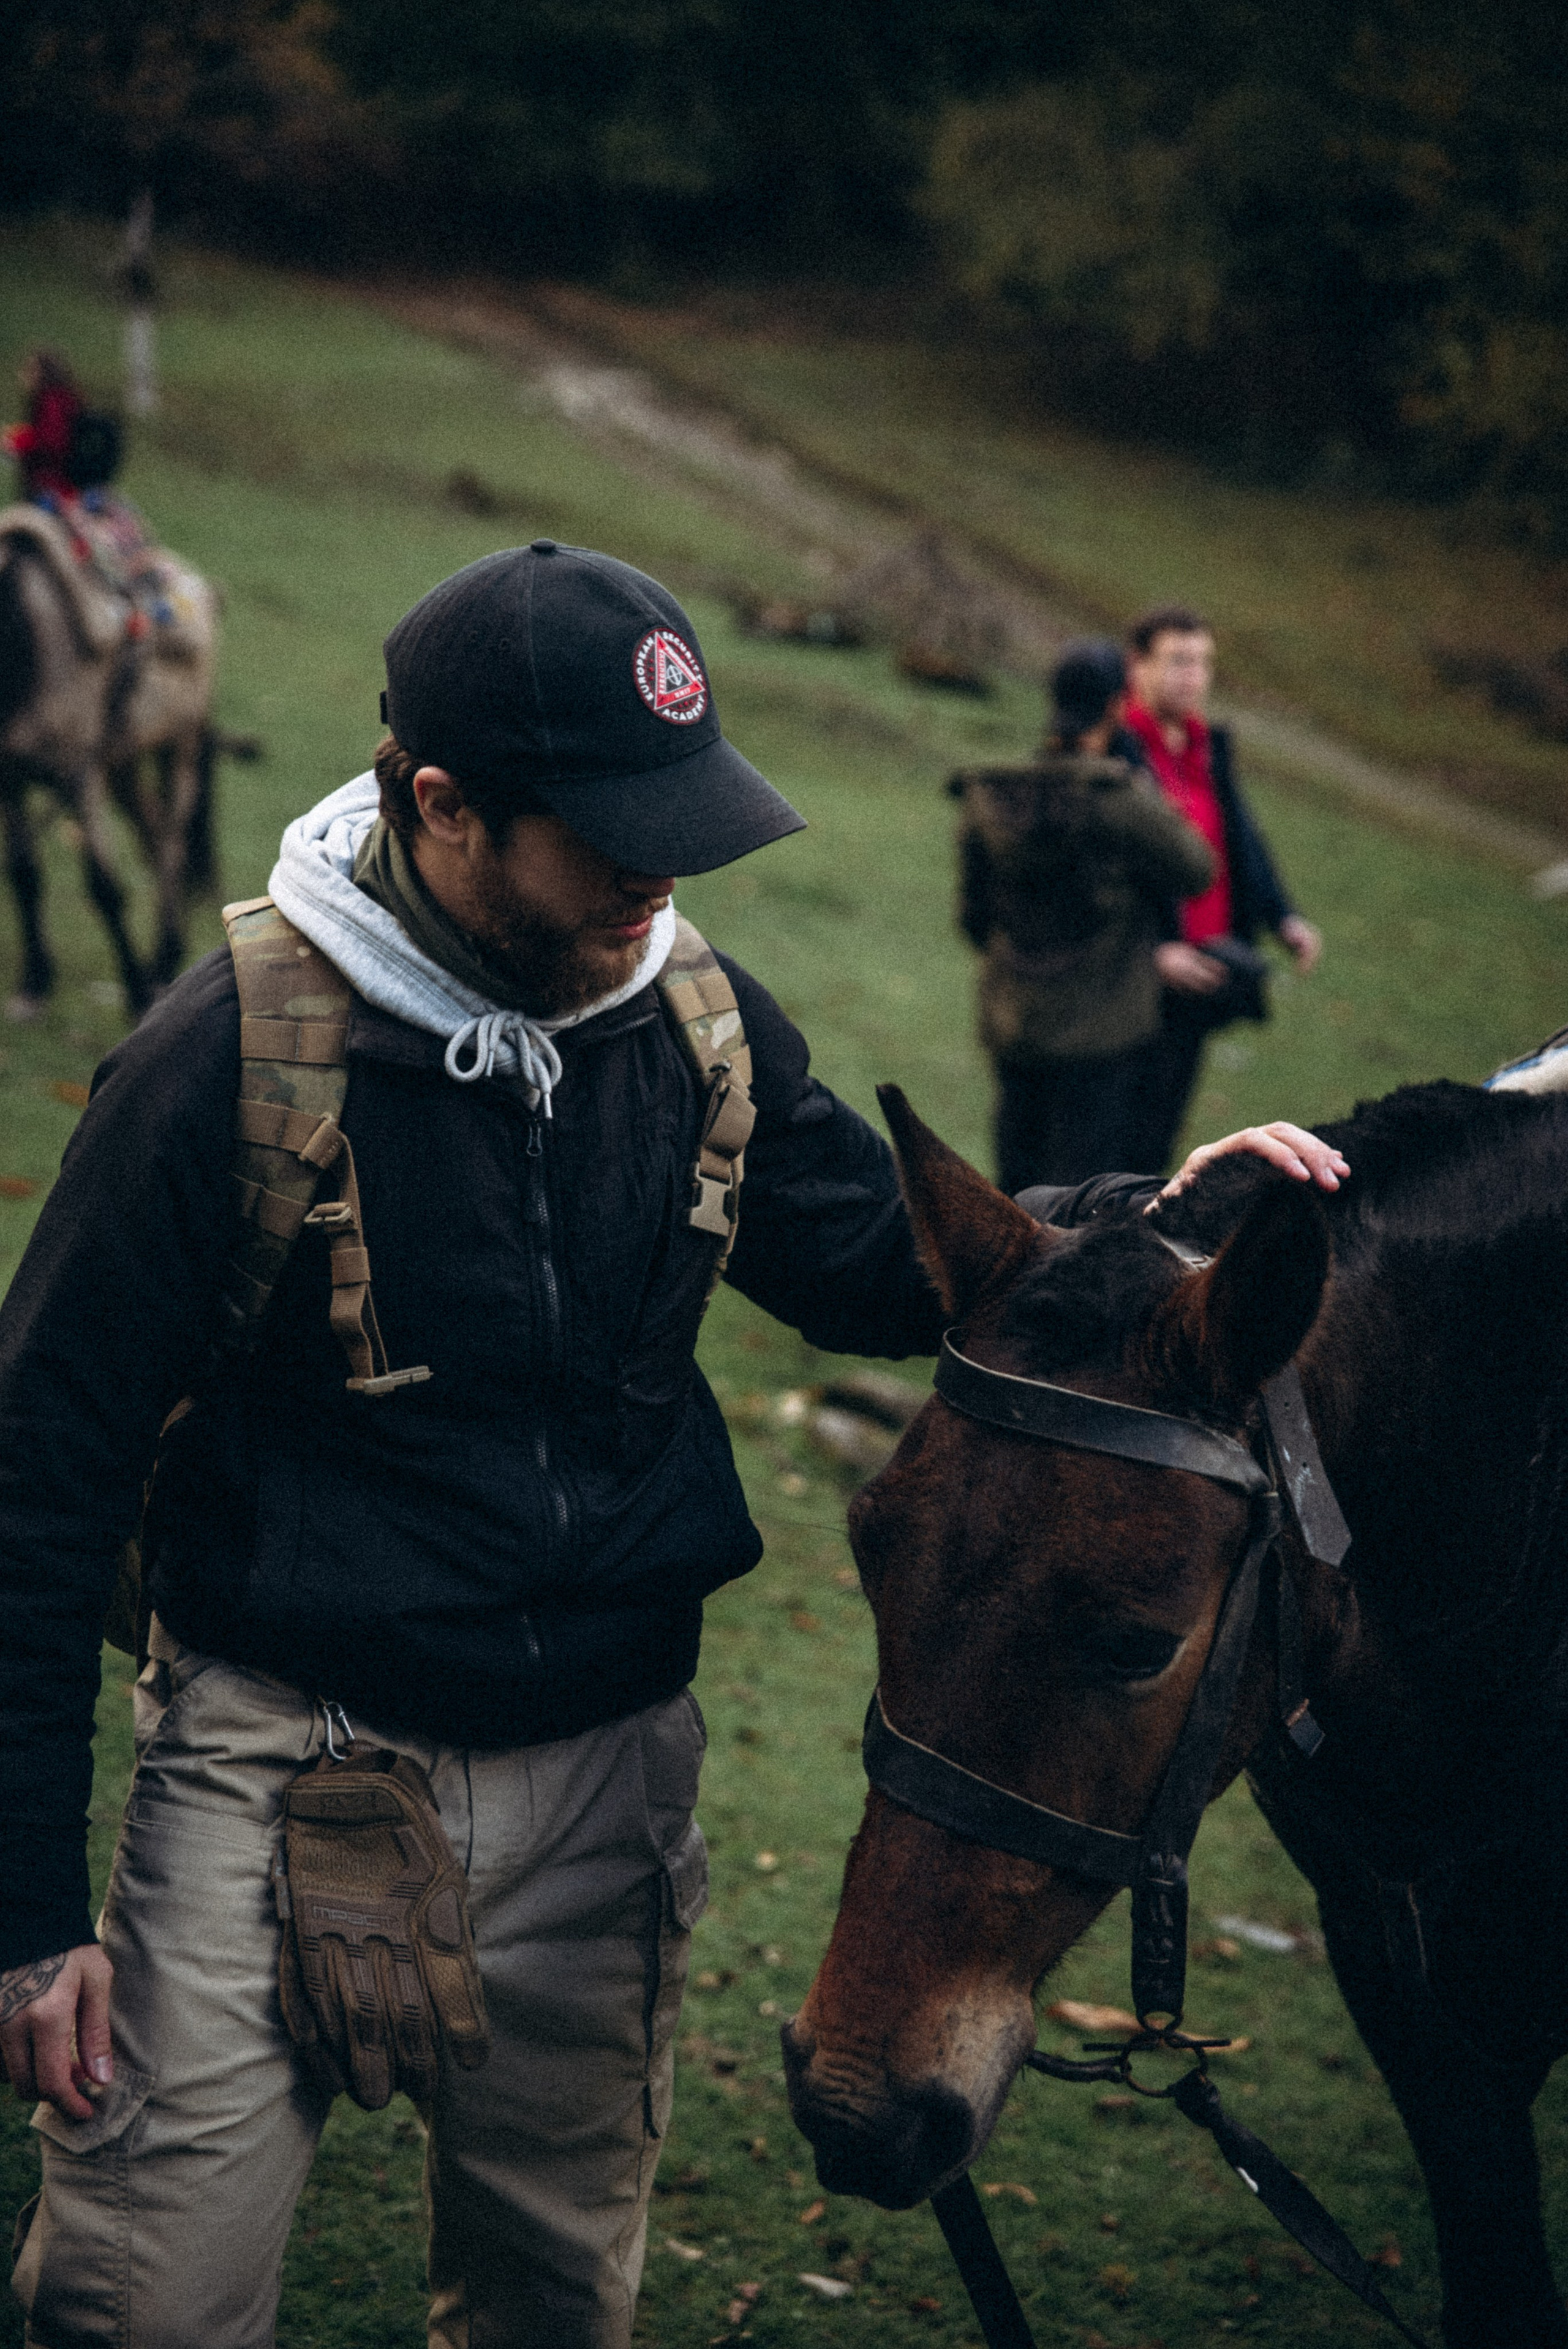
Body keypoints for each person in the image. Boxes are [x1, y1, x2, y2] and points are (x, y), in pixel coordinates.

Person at [0, 543, 1349, 2349]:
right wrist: (26, 1914)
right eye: (613, 823)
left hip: (603, 1785)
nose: (666, 863)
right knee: (136, 2312)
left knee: (558, 2312)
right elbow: (33, 1495)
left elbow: (887, 1266)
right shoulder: (215, 1068)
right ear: (443, 807)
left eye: (683, 810)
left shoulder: (691, 1019)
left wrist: (1150, 1209)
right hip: (266, 1767)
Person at [954, 638, 1215, 1191]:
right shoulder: (1116, 797)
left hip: (1013, 1019)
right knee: (1085, 1195)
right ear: (1119, 705)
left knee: (1015, 1187)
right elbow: (1198, 868)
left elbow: (973, 918)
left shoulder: (993, 795)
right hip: (1103, 1032)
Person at [1120, 605, 1323, 1169]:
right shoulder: (1115, 747)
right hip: (1133, 978)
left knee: (1156, 1137)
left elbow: (1241, 838)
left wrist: (1283, 917)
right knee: (1107, 1133)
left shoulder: (1207, 746)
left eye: (1203, 662)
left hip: (1205, 971)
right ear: (1136, 665)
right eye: (1178, 660)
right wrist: (1151, 952)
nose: (1193, 676)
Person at [2, 349, 85, 505]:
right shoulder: (63, 398)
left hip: (51, 483)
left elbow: (52, 440)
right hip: (59, 480)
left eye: (30, 369)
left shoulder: (52, 401)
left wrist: (18, 443)